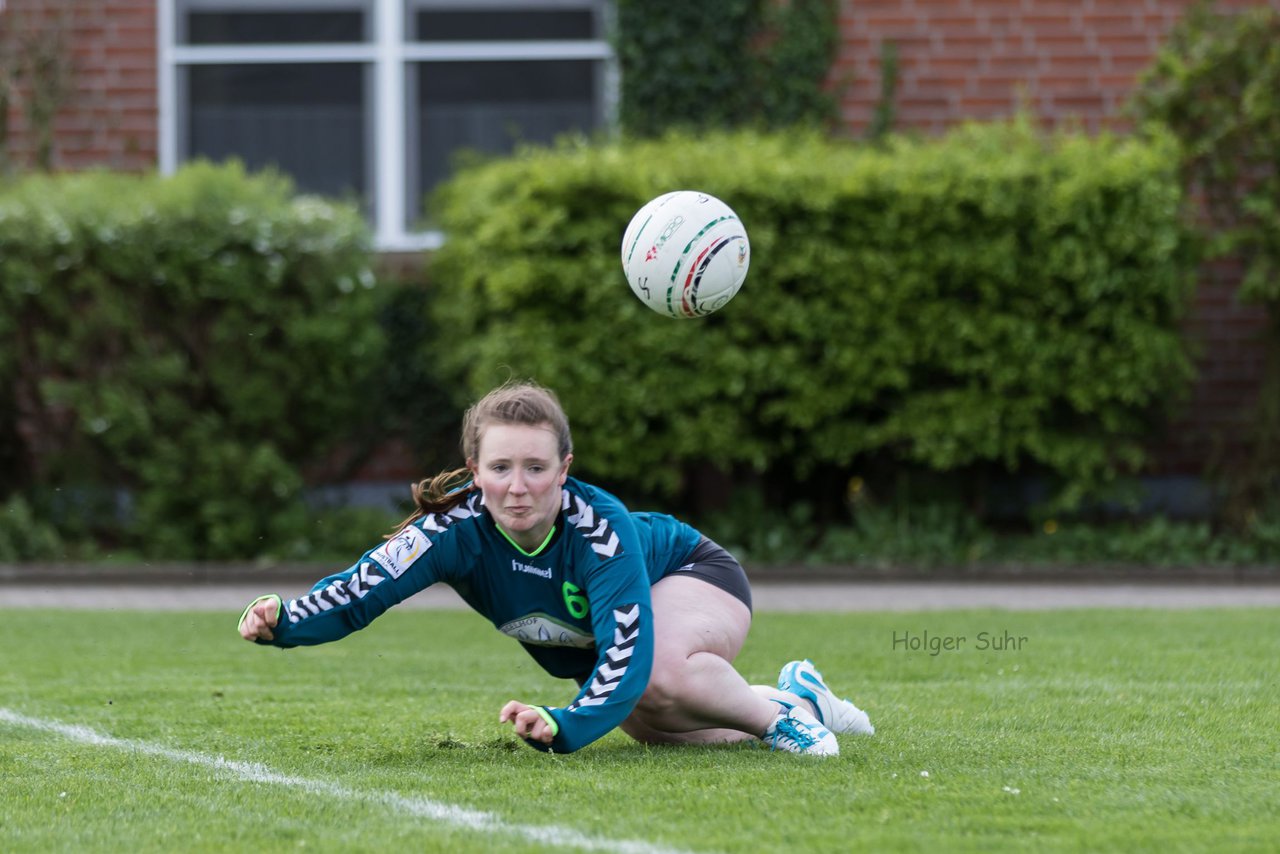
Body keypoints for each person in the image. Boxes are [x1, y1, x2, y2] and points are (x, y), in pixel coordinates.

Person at [238, 380, 874, 756]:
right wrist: (286, 621)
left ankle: (780, 723)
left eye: (536, 469)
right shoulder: (452, 532)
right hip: (627, 645)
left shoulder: (599, 529)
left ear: (564, 470)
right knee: (667, 731)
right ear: (474, 470)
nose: (518, 487)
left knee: (652, 677)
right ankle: (800, 697)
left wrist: (566, 724)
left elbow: (625, 656)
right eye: (500, 468)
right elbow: (362, 590)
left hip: (693, 574)